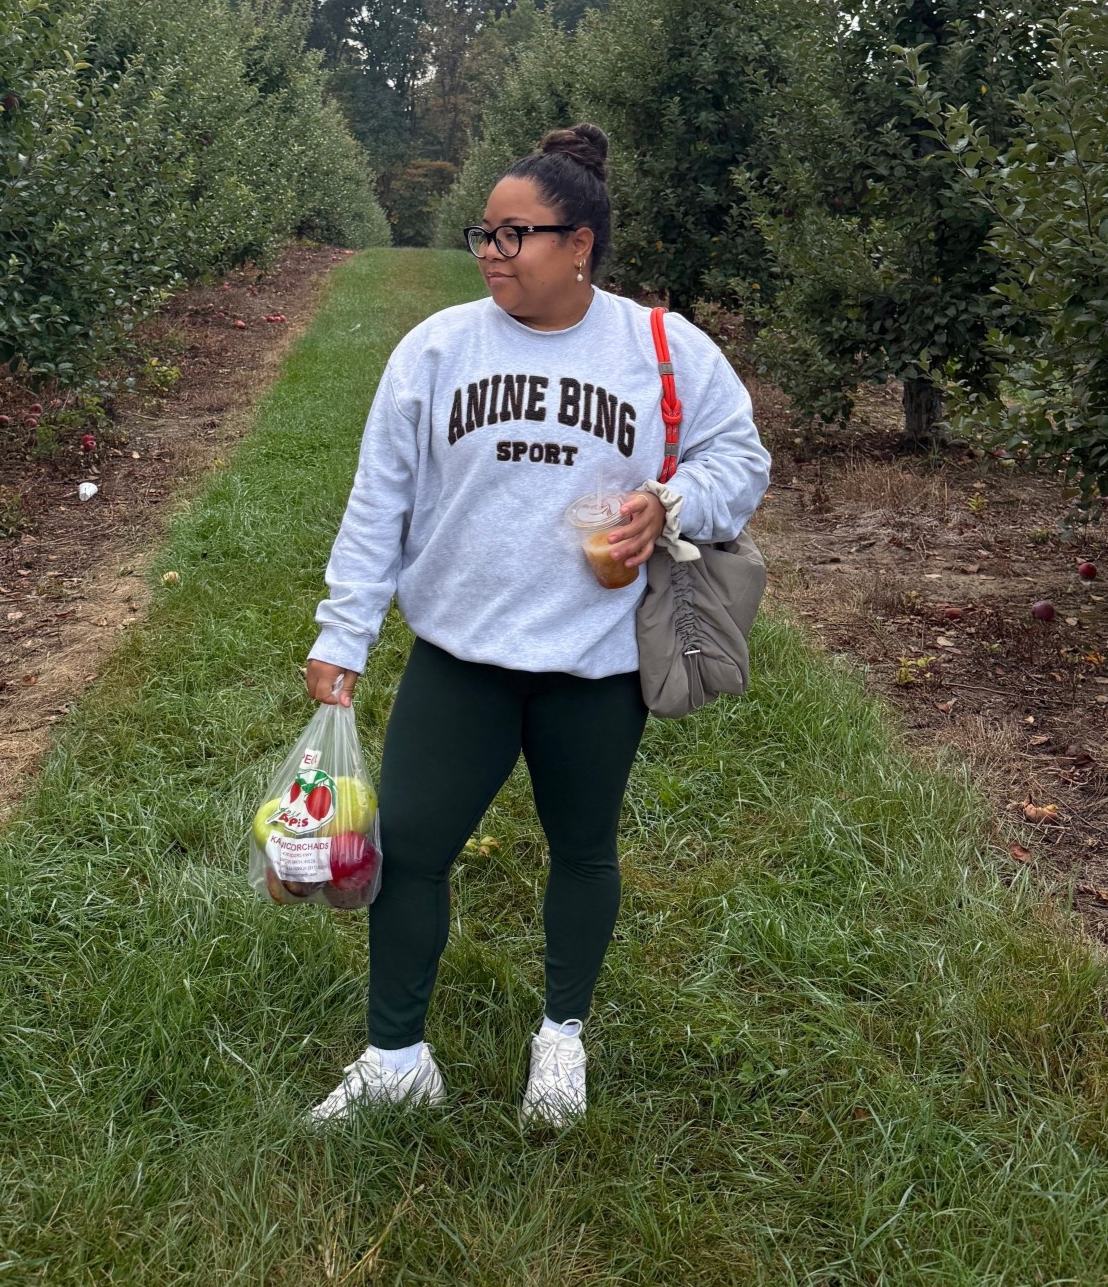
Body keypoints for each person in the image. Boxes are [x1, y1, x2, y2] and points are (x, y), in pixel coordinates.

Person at [303, 123, 770, 1127]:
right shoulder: (436, 348)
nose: (490, 250)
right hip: (459, 654)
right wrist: (343, 633)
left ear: (581, 245)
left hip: (592, 660)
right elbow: (377, 498)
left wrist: (668, 503)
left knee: (583, 848)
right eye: (486, 232)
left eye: (517, 234)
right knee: (412, 848)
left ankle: (561, 1035)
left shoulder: (660, 347)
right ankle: (395, 1054)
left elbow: (743, 460)